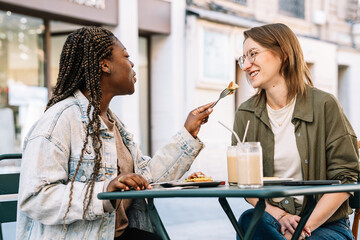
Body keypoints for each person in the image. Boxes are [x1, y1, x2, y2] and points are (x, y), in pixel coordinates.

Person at [16, 26, 213, 240]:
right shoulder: (59, 120)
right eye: (126, 56)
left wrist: (188, 133)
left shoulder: (112, 123)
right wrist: (104, 192)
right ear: (105, 65)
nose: (132, 63)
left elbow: (147, 178)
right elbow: (35, 198)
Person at [232, 23, 359, 240]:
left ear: (283, 54)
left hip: (326, 226)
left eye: (253, 54)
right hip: (274, 221)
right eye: (243, 58)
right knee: (248, 220)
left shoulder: (324, 105)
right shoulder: (246, 113)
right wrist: (280, 216)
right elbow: (243, 184)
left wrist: (304, 229)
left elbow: (347, 178)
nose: (246, 65)